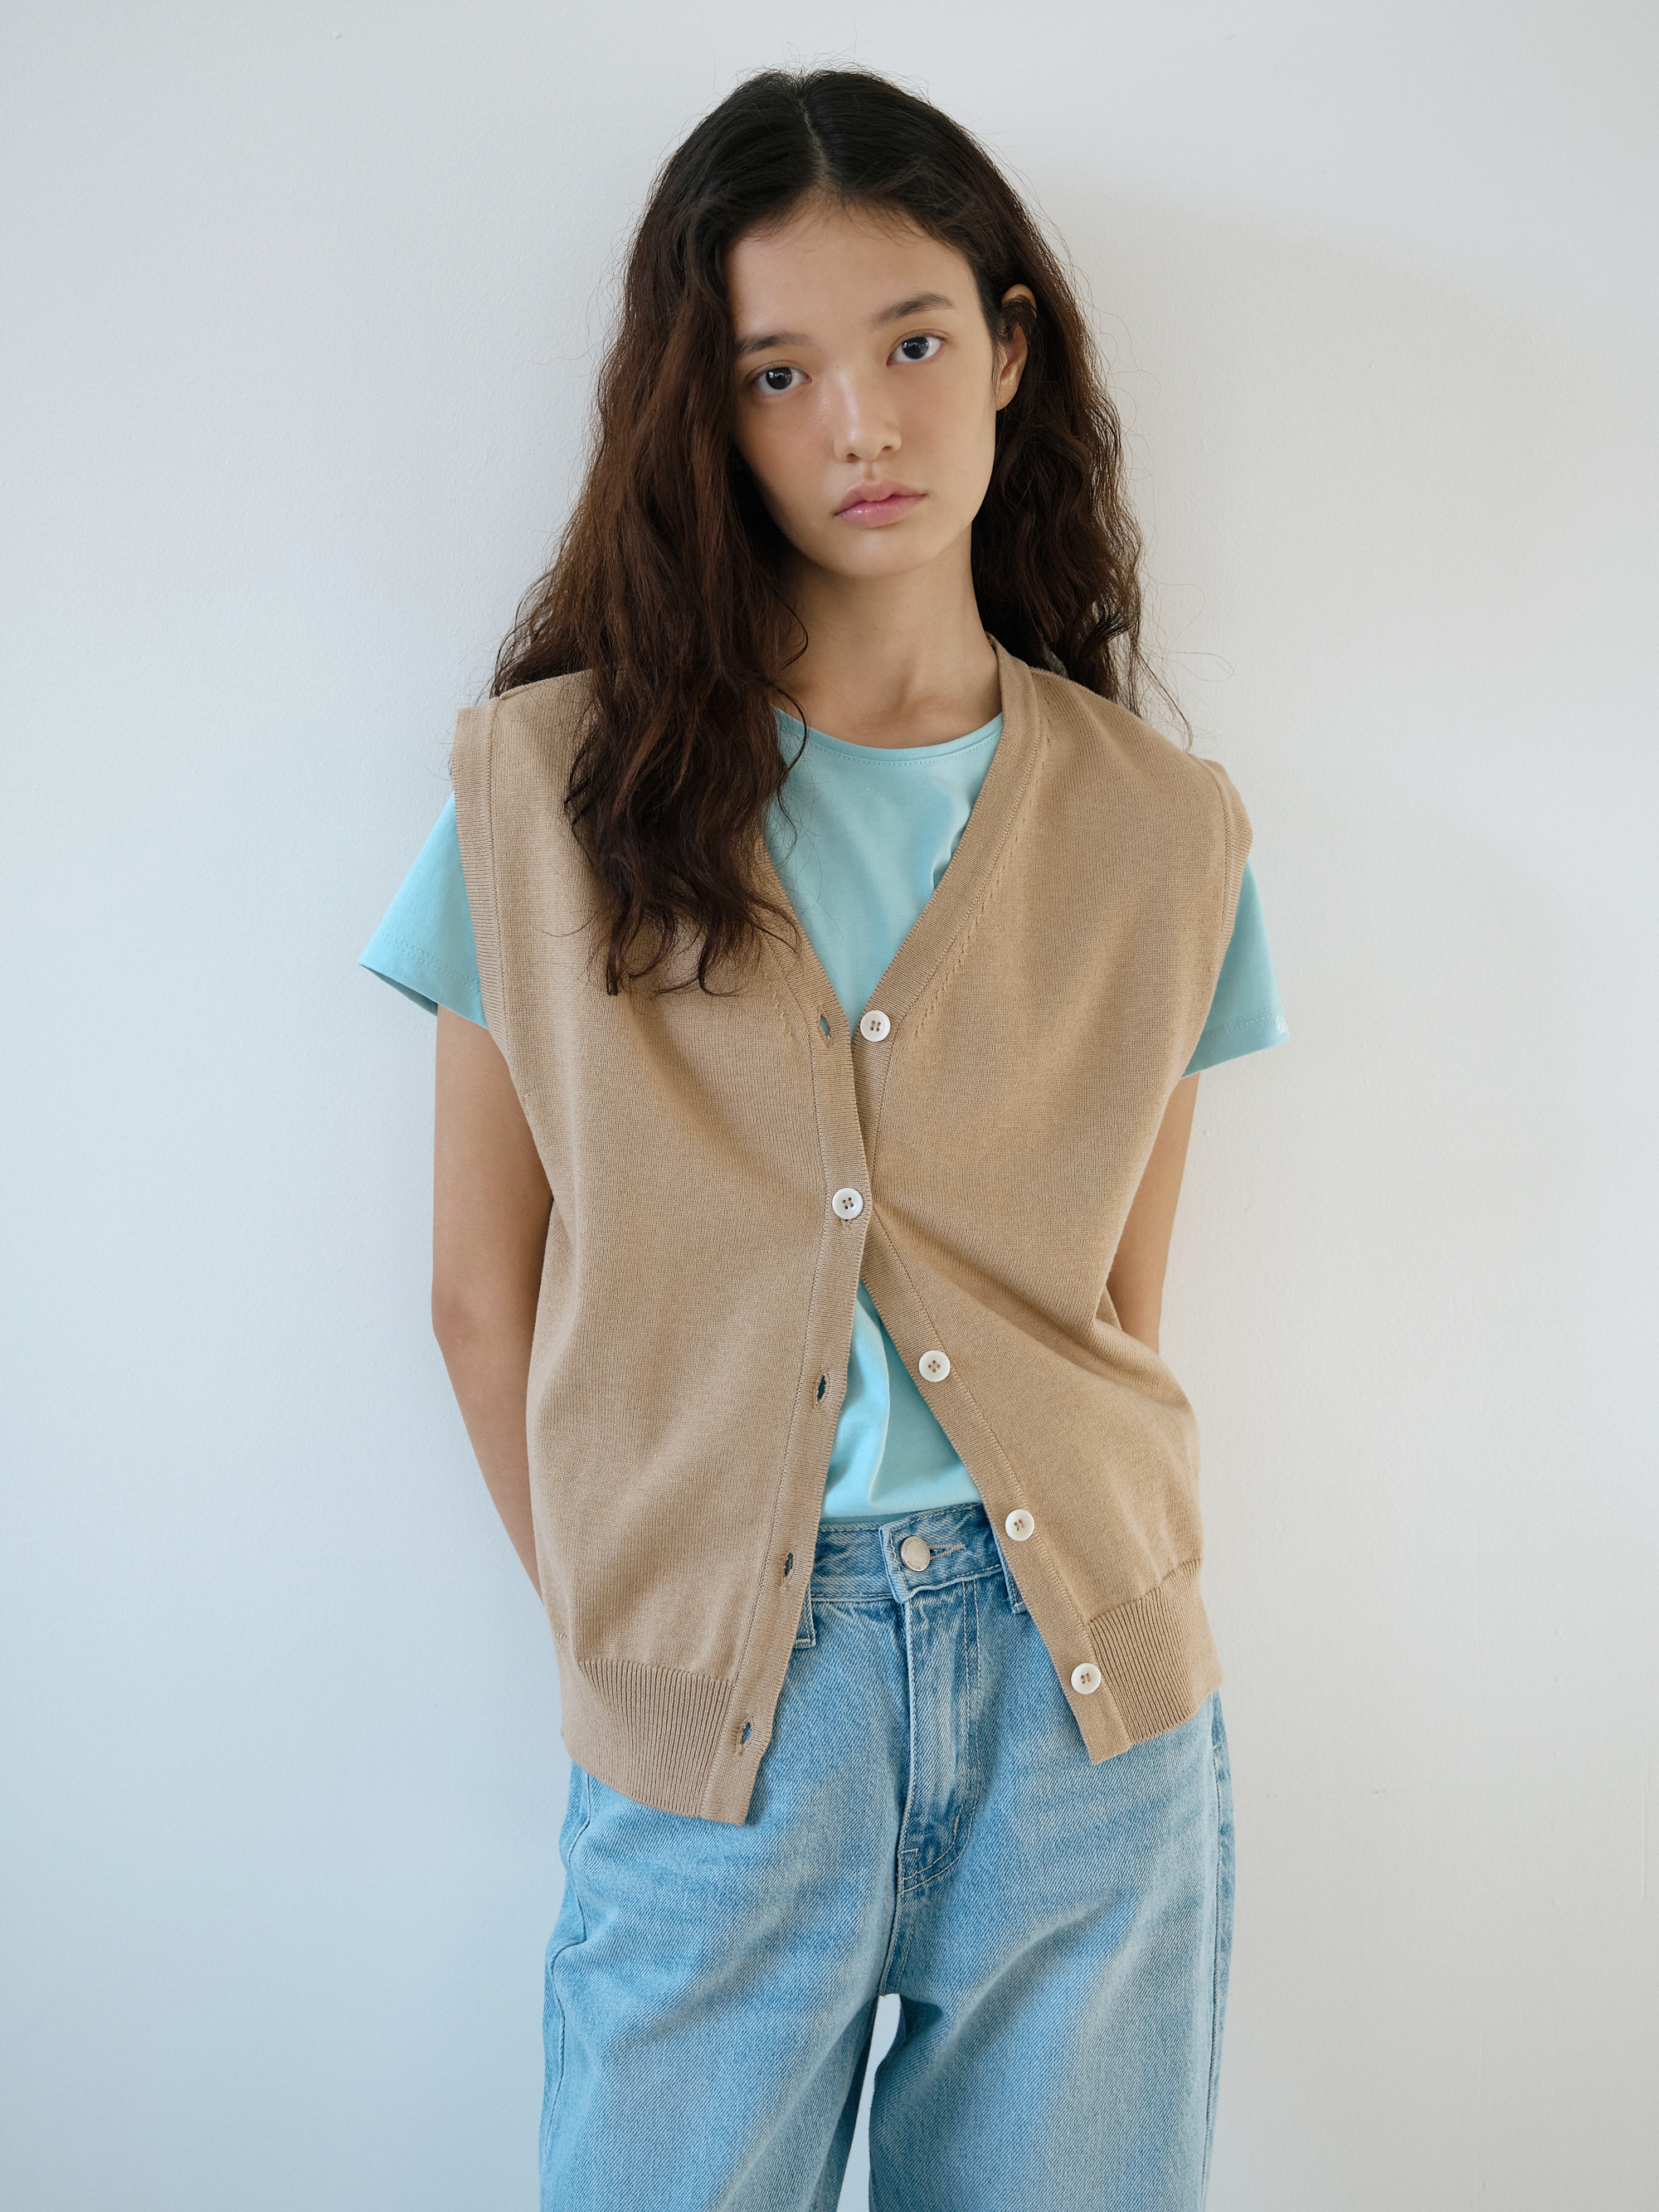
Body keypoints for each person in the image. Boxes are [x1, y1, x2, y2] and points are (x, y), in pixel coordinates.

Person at [361, 65, 1287, 2212]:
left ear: (1011, 349)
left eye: (914, 343)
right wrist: (650, 1650)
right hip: (720, 1721)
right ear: (707, 409)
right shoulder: (546, 793)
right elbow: (479, 1296)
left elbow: (1119, 1307)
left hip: (1093, 1713)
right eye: (778, 373)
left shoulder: (1164, 831)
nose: (861, 423)